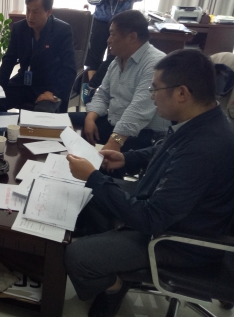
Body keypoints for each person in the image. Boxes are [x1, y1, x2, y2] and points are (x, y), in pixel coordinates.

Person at [64, 49, 234, 317]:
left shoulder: (204, 149)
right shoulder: (201, 120)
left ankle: (114, 285)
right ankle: (111, 256)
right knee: (92, 195)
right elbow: (163, 149)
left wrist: (94, 177)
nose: (151, 95)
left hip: (178, 241)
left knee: (76, 256)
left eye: (155, 89)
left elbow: (152, 218)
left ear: (182, 93)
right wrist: (126, 158)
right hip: (167, 209)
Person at [69, 10, 170, 153]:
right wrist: (90, 119)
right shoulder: (117, 60)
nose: (108, 40)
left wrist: (114, 142)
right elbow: (102, 95)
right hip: (114, 122)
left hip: (144, 132)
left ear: (132, 37)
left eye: (112, 34)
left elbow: (138, 111)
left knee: (105, 160)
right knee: (63, 123)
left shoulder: (155, 63)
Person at [0, 0, 76, 113]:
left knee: (41, 116)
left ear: (48, 12)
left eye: (36, 12)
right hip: (22, 83)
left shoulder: (62, 31)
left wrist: (55, 94)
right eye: (28, 10)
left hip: (48, 87)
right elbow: (9, 60)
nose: (30, 16)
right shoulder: (19, 28)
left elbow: (69, 69)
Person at [84, 0, 146, 101]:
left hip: (122, 22)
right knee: (94, 56)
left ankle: (96, 87)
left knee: (114, 57)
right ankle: (91, 93)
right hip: (101, 20)